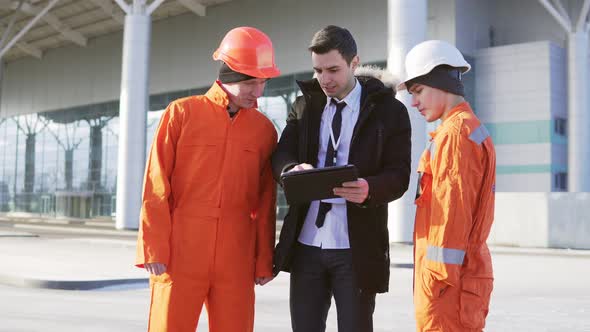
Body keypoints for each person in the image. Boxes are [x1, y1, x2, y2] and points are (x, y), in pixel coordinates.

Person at [135, 26, 280, 332]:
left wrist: (264, 257)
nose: (258, 92)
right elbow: (156, 184)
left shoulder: (264, 130)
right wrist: (154, 247)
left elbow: (266, 201)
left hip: (236, 251)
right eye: (251, 83)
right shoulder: (181, 114)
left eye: (263, 83)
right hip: (181, 248)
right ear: (229, 76)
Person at [272, 25, 412, 332]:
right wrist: (290, 171)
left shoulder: (389, 112)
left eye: (333, 69)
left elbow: (399, 174)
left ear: (354, 63)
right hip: (307, 244)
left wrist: (369, 189)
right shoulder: (305, 106)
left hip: (356, 246)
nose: (325, 79)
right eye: (318, 70)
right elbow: (282, 154)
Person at [397, 40, 496, 332]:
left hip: (447, 288)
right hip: (459, 283)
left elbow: (452, 213)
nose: (414, 102)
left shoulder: (455, 135)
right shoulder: (466, 129)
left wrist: (437, 281)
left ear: (440, 82)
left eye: (418, 91)